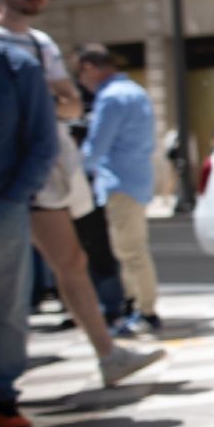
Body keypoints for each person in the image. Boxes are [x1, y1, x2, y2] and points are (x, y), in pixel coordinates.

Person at [0, 0, 164, 388]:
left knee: (66, 264)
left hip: (38, 174)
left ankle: (106, 354)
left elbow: (69, 105)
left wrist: (34, 98)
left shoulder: (38, 47)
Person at [0, 31, 59, 427]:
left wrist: (15, 195)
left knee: (5, 304)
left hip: (1, 204)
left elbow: (42, 140)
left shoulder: (18, 68)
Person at [73, 43, 162, 333]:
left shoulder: (110, 98)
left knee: (130, 251)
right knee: (133, 249)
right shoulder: (136, 91)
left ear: (88, 67)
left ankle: (144, 312)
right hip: (138, 178)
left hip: (118, 182)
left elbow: (96, 147)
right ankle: (139, 308)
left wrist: (71, 168)